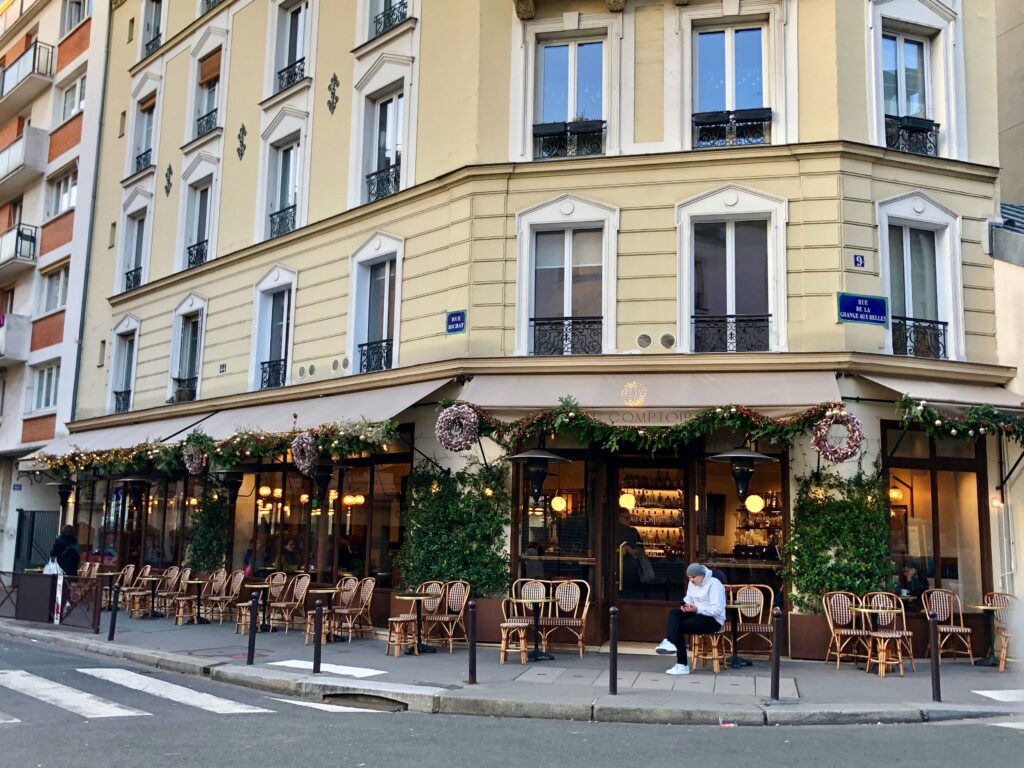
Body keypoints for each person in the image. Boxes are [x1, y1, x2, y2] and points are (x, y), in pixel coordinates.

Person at [654, 563, 726, 675]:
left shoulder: (714, 584)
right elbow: (689, 598)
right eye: (689, 578)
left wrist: (697, 608)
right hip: (696, 612)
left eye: (694, 577)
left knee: (679, 627)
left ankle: (682, 664)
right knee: (674, 613)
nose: (691, 580)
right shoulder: (692, 584)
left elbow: (717, 609)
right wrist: (686, 606)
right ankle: (669, 642)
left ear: (702, 575)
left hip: (713, 620)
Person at [616, 510, 643, 598]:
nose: (629, 520)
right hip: (629, 567)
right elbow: (638, 548)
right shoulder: (631, 531)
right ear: (618, 518)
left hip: (615, 567)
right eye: (626, 518)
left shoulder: (609, 530)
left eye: (630, 517)